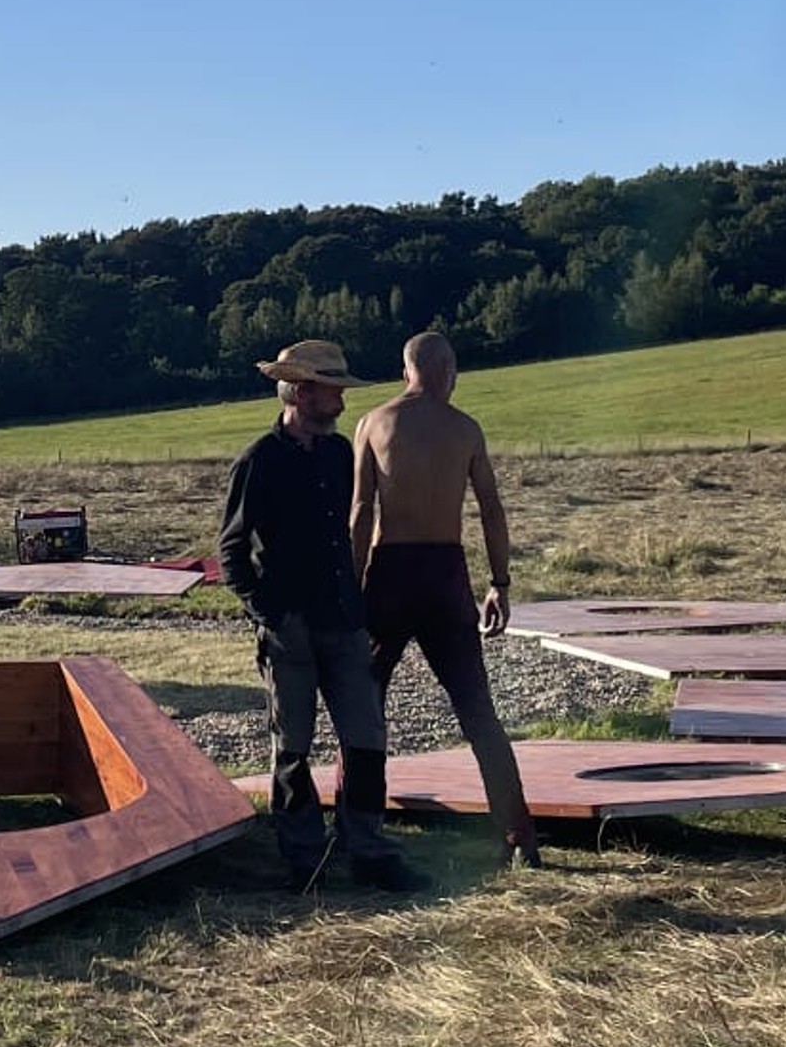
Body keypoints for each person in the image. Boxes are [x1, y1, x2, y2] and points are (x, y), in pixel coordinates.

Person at [353, 329, 545, 869]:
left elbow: (359, 513)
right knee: (477, 709)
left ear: (404, 370)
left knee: (366, 708)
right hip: (444, 571)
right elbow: (491, 510)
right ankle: (518, 836)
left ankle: (357, 831)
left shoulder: (373, 423)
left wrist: (353, 585)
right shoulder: (465, 429)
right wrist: (499, 582)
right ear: (448, 371)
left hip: (388, 568)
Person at [218, 337, 402, 887]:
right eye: (331, 392)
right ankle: (304, 857)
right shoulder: (259, 461)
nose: (342, 403)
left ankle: (365, 848)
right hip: (291, 631)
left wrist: (361, 602)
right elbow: (231, 551)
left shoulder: (339, 453)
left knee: (367, 739)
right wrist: (270, 613)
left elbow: (352, 533)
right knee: (293, 747)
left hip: (344, 622)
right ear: (300, 392)